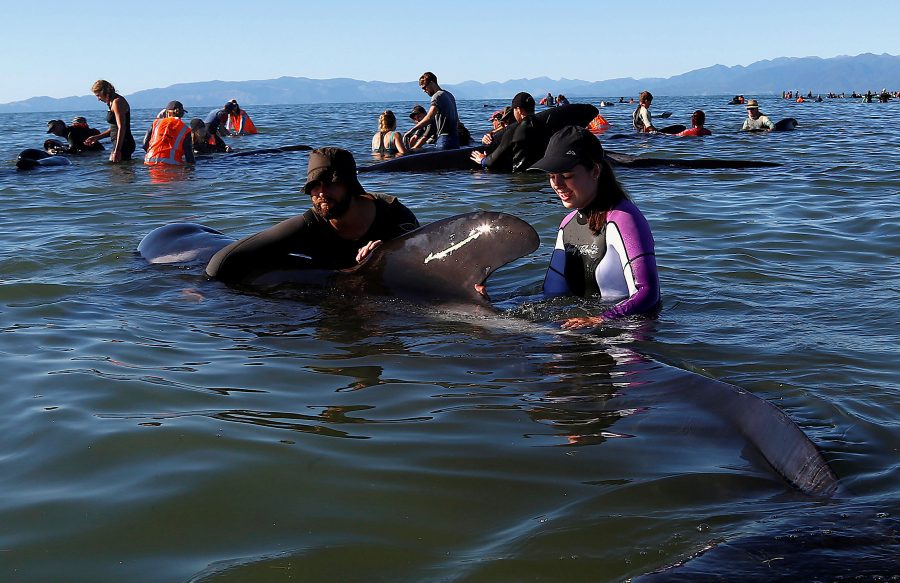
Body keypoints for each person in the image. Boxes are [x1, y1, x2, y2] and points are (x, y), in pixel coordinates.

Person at [206, 147, 420, 283]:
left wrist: (389, 254)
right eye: (314, 186)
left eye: (330, 184)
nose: (321, 193)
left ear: (350, 185)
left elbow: (424, 263)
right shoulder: (310, 226)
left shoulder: (395, 217)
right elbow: (223, 259)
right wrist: (202, 289)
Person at [528, 125, 661, 329]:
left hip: (624, 336)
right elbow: (551, 295)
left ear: (595, 170)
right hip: (581, 328)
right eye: (551, 176)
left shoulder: (624, 219)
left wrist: (602, 320)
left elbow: (648, 293)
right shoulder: (567, 225)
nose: (557, 184)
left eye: (566, 175)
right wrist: (491, 303)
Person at [470, 92, 550, 173]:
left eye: (514, 110)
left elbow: (493, 161)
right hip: (542, 174)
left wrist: (483, 160)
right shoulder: (546, 125)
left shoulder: (513, 130)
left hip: (520, 179)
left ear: (518, 110)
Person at [404, 72, 459, 150]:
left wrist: (412, 130)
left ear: (432, 83)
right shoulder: (449, 95)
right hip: (455, 138)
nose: (424, 90)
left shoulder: (437, 96)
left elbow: (429, 117)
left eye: (424, 87)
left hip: (445, 139)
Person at [83, 80, 135, 162]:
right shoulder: (111, 103)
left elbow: (122, 127)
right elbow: (114, 128)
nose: (98, 99)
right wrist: (97, 137)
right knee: (117, 172)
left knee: (119, 171)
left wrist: (117, 150)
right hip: (119, 143)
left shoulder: (117, 102)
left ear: (103, 92)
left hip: (124, 143)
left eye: (98, 95)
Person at [142, 101, 195, 165]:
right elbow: (189, 157)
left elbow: (145, 145)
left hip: (149, 162)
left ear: (166, 113)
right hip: (171, 166)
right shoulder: (185, 129)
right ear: (182, 114)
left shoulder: (156, 123)